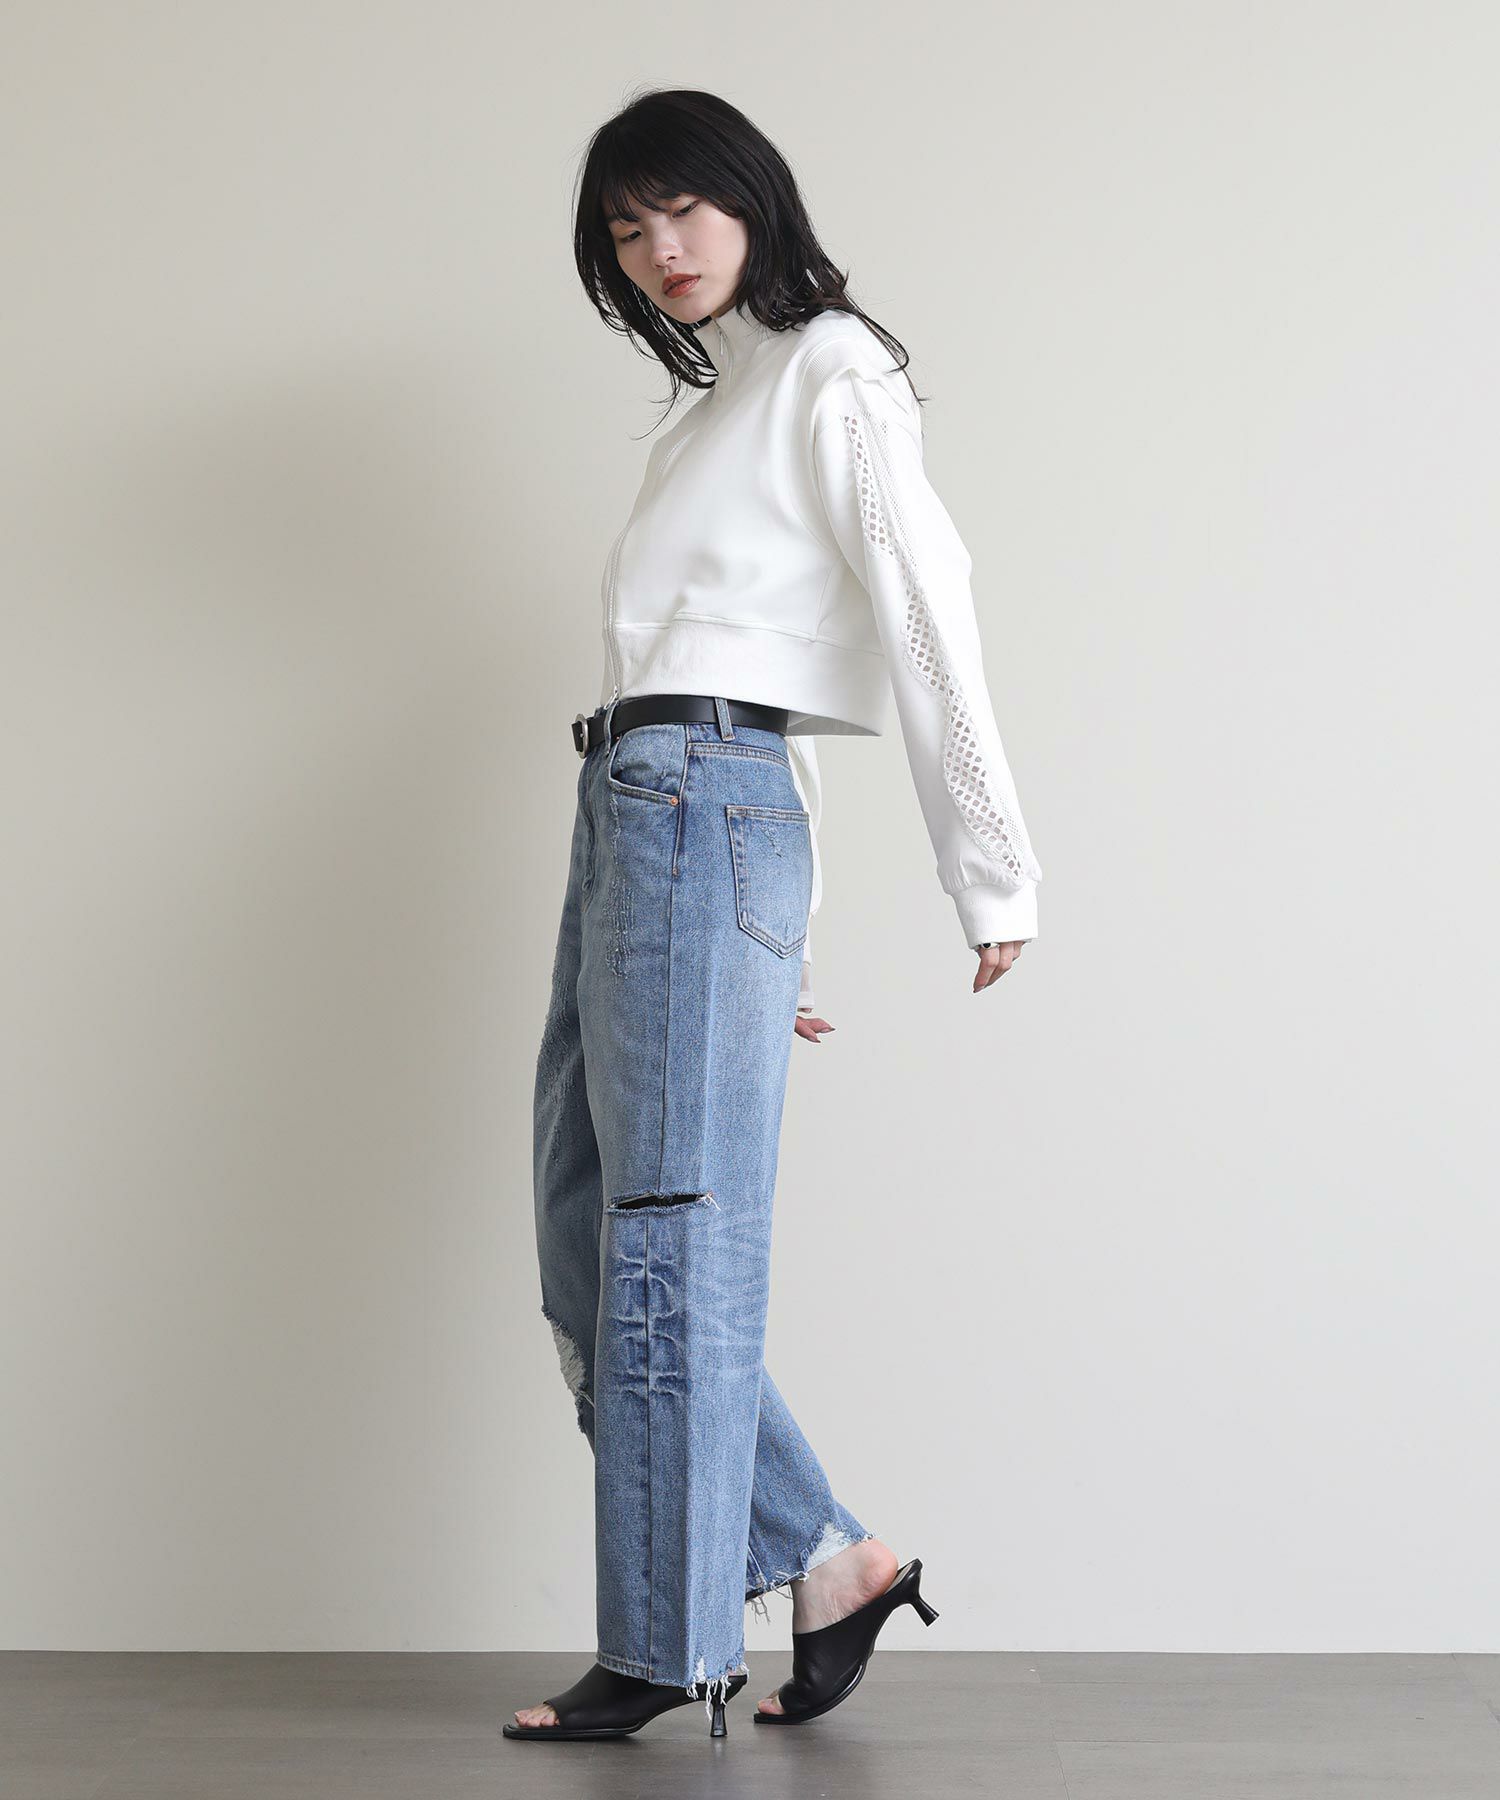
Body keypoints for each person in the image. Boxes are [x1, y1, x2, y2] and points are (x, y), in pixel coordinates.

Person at [504, 87, 1041, 1745]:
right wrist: (776, 934)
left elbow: (923, 607)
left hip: (693, 809)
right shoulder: (709, 409)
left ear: (752, 199)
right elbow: (749, 678)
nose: (657, 249)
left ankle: (666, 1643)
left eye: (681, 209)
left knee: (669, 1231)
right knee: (589, 1231)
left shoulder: (833, 369)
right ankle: (825, 1557)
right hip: (640, 814)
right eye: (625, 229)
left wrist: (989, 861)